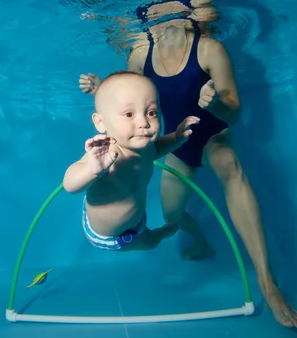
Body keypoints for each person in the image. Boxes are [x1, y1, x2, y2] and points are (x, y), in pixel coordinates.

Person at [78, 4, 297, 329]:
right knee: (171, 215)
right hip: (177, 138)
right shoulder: (140, 54)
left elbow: (235, 114)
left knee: (231, 169)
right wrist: (102, 88)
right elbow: (128, 100)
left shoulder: (210, 49)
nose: (162, 9)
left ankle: (269, 286)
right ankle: (201, 243)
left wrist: (216, 104)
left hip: (214, 132)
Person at [63, 71, 200, 251]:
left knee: (145, 238)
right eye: (129, 114)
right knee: (149, 242)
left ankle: (150, 233)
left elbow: (157, 150)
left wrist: (176, 137)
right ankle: (158, 234)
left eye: (151, 112)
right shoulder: (104, 155)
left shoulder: (145, 147)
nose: (144, 122)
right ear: (100, 123)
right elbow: (69, 184)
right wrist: (91, 170)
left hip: (136, 219)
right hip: (107, 235)